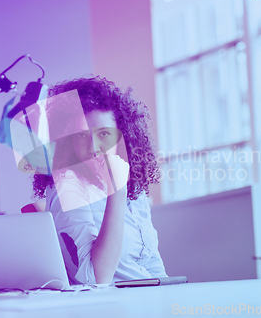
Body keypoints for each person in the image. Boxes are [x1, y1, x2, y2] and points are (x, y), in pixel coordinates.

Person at [32, 76, 167, 285]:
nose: (93, 147)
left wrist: (172, 294)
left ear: (124, 136)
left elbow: (152, 265)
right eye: (81, 136)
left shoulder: (134, 188)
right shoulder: (68, 188)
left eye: (104, 134)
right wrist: (117, 192)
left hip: (149, 297)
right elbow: (96, 279)